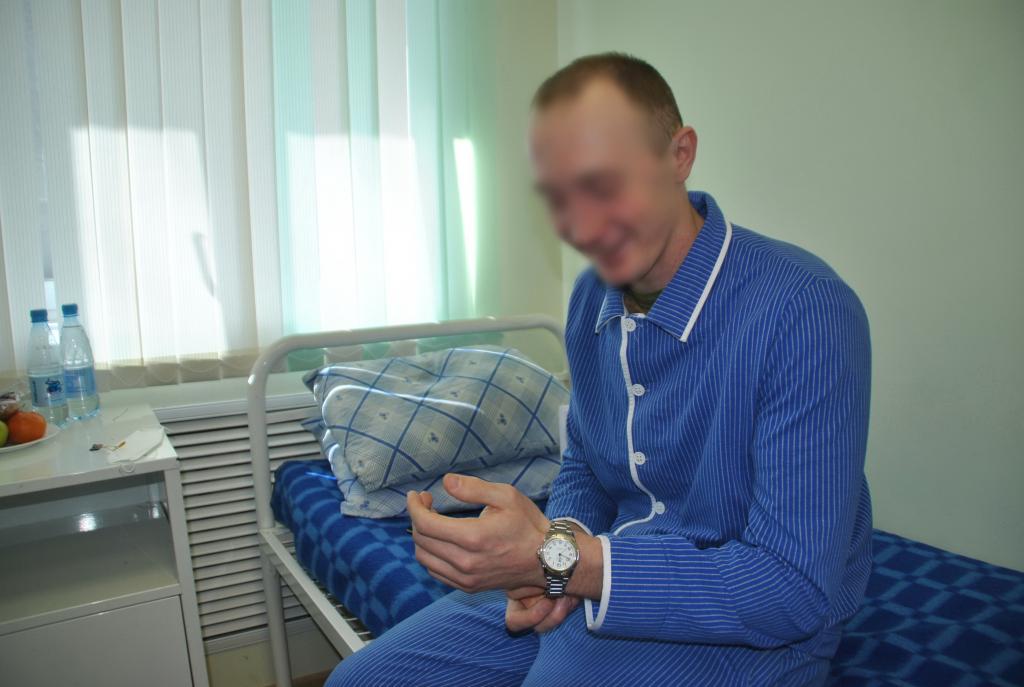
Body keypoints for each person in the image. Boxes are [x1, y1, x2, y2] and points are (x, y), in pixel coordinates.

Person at [327, 52, 872, 687]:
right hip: (597, 573)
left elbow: (790, 590)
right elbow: (586, 463)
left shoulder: (804, 310)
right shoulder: (592, 297)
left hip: (748, 624)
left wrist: (560, 563)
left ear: (679, 155)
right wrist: (553, 563)